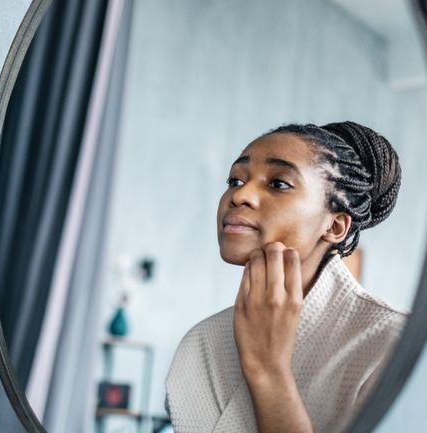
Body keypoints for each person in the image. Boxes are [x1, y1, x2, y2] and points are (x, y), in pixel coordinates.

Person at [165, 122, 407, 433]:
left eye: (279, 184)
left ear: (335, 226)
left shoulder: (391, 346)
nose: (241, 195)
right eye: (235, 180)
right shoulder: (198, 345)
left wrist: (268, 370)